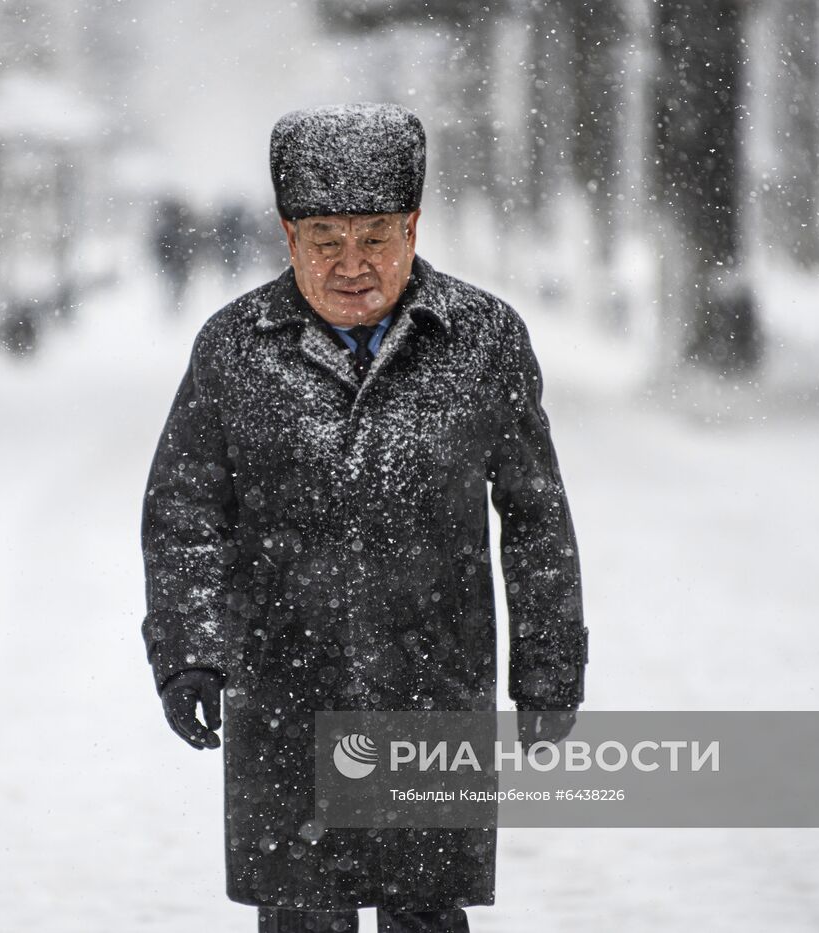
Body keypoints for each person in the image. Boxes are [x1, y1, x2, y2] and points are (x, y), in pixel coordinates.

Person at [141, 103, 588, 933]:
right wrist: (188, 651)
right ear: (288, 236)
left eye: (375, 235)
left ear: (414, 227)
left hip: (431, 685)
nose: (353, 263)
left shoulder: (482, 341)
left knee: (426, 911)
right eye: (325, 238)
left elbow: (534, 513)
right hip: (286, 693)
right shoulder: (235, 349)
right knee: (303, 912)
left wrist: (550, 664)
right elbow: (183, 512)